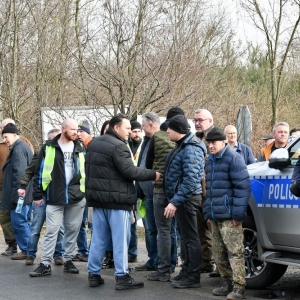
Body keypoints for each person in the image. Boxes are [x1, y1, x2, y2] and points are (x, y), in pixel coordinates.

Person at [85, 113, 160, 289]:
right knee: (120, 240)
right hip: (118, 201)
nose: (129, 131)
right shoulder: (119, 146)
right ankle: (122, 276)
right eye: (127, 128)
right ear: (116, 127)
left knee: (98, 239)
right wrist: (153, 174)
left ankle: (93, 274)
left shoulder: (94, 143)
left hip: (98, 201)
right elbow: (130, 172)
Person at [29, 118, 86, 277]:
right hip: (54, 196)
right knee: (51, 231)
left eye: (77, 130)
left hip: (77, 197)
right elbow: (39, 172)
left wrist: (85, 193)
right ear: (63, 129)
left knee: (72, 231)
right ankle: (45, 263)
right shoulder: (48, 147)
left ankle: (68, 260)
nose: (76, 133)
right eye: (73, 129)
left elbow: (86, 171)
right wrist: (38, 195)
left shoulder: (80, 147)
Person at [204, 126, 251, 300]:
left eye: (213, 143)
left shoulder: (234, 158)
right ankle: (227, 283)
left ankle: (239, 288)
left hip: (230, 216)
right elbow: (209, 190)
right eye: (208, 143)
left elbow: (243, 187)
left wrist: (238, 215)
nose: (210, 146)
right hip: (215, 216)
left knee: (235, 252)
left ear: (223, 142)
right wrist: (207, 212)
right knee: (218, 252)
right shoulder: (210, 161)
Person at [163, 115, 206, 288]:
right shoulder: (182, 146)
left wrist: (175, 201)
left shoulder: (191, 148)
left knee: (191, 237)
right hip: (182, 199)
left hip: (187, 199)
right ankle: (187, 270)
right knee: (185, 237)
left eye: (169, 129)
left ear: (178, 130)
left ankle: (193, 276)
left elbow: (190, 180)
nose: (167, 131)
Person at [146, 107, 185, 282]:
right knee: (176, 230)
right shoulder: (184, 140)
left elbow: (148, 163)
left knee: (163, 230)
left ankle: (164, 269)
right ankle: (175, 262)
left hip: (160, 188)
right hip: (179, 191)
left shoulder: (157, 137)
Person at [20, 129, 64, 266]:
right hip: (42, 197)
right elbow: (30, 171)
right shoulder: (40, 153)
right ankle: (31, 254)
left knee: (59, 229)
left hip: (56, 197)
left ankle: (58, 255)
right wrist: (22, 186)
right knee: (35, 228)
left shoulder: (65, 153)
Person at [2, 123, 33, 260]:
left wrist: (16, 196)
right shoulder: (21, 147)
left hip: (19, 195)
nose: (4, 140)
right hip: (23, 194)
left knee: (19, 222)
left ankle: (26, 250)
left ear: (14, 134)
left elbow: (19, 174)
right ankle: (28, 249)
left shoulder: (18, 149)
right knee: (23, 221)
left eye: (6, 137)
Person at [135, 112, 161, 272]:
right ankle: (153, 260)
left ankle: (160, 262)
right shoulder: (146, 141)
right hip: (146, 194)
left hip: (156, 194)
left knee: (158, 230)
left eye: (143, 126)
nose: (142, 130)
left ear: (151, 124)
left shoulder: (159, 141)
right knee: (150, 229)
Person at [193, 109, 215, 274]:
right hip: (198, 191)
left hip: (212, 192)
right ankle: (206, 262)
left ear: (210, 121)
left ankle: (218, 265)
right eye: (195, 120)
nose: (197, 123)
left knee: (214, 230)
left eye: (201, 120)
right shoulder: (195, 139)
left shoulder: (215, 139)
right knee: (201, 230)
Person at [72, 120, 92, 263]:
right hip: (79, 192)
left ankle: (93, 252)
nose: (79, 134)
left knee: (92, 224)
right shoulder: (75, 147)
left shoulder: (92, 147)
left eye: (82, 131)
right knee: (79, 224)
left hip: (90, 192)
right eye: (77, 131)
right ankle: (83, 251)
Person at [0, 123, 17, 256]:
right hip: (3, 185)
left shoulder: (20, 145)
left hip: (13, 185)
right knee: (5, 216)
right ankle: (11, 244)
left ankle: (16, 244)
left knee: (13, 215)